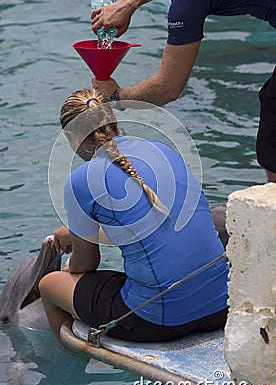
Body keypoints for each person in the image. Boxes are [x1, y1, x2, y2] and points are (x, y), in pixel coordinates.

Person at [39, 88, 229, 344]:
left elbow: (86, 264)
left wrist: (68, 268)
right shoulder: (163, 149)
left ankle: (67, 370)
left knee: (49, 285)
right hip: (221, 306)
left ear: (71, 136)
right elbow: (148, 222)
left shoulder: (80, 181)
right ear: (113, 120)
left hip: (158, 322)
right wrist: (71, 232)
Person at [91, 0, 276, 183]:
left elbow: (168, 87)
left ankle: (273, 212)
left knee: (273, 136)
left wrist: (117, 96)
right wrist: (128, 3)